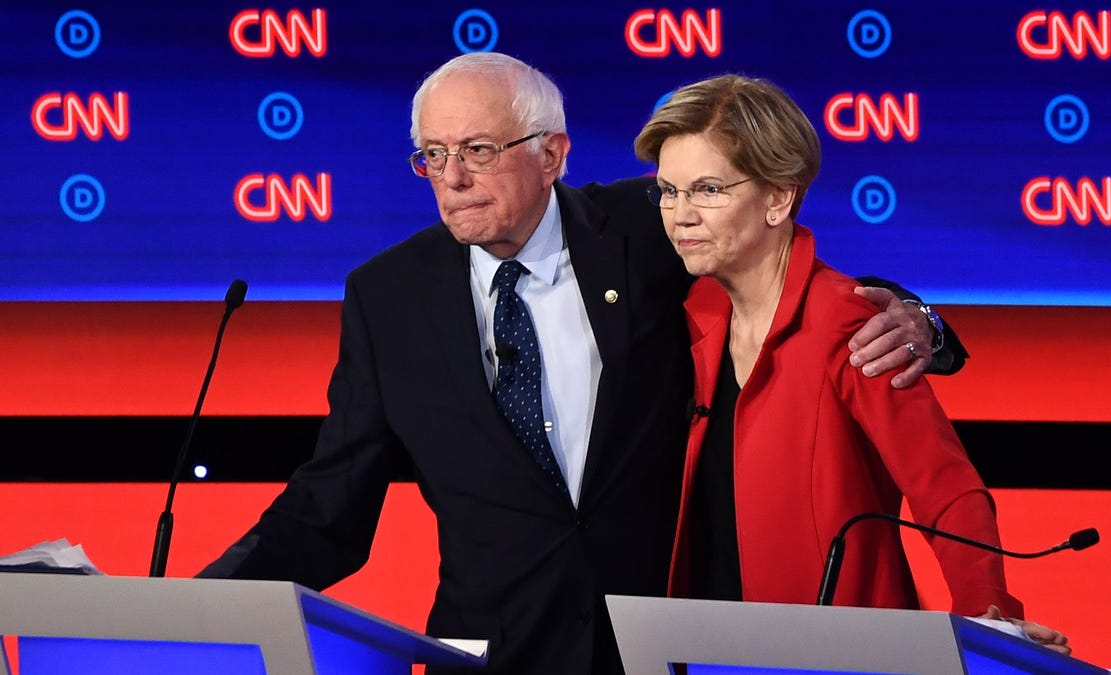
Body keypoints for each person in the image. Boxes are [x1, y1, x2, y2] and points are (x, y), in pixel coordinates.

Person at [198, 53, 969, 674]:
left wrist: (920, 323)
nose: (451, 177)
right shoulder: (387, 295)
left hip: (662, 644)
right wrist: (202, 610)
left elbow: (773, 262)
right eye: (431, 154)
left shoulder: (646, 225)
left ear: (551, 154)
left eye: (476, 150)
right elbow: (331, 502)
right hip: (497, 651)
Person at [633, 73, 1072, 655]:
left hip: (834, 653)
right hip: (703, 646)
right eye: (669, 190)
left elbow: (944, 485)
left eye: (708, 190)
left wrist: (988, 615)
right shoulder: (691, 310)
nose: (679, 215)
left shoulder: (848, 323)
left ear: (778, 198)